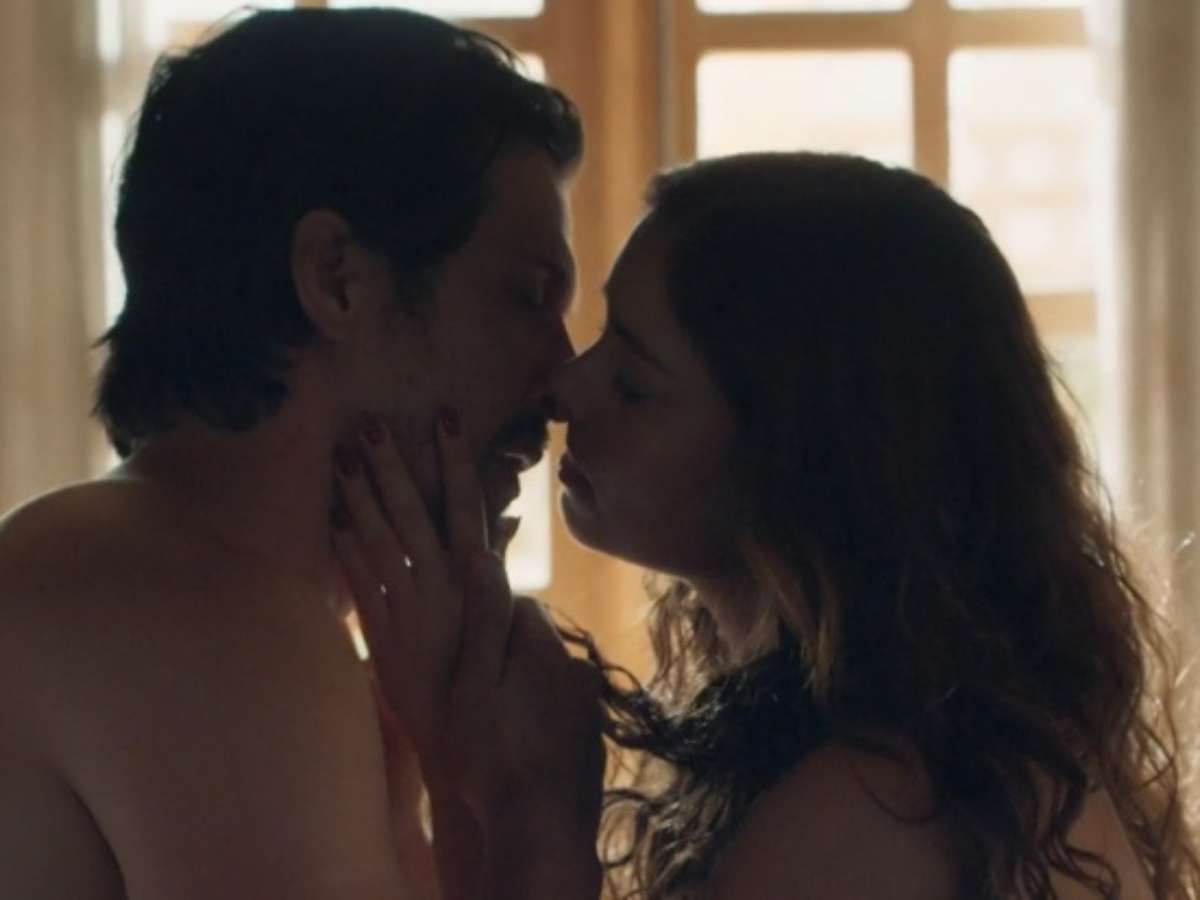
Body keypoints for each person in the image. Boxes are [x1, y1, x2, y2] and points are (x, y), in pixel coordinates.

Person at [337, 152, 1200, 899]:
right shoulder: (901, 753)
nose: (564, 389)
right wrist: (451, 757)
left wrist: (541, 817)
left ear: (800, 464)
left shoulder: (870, 814)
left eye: (634, 383)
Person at [0, 7, 603, 900]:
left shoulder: (187, 584)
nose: (563, 379)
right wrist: (542, 823)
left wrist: (456, 768)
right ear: (336, 279)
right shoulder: (208, 617)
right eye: (528, 296)